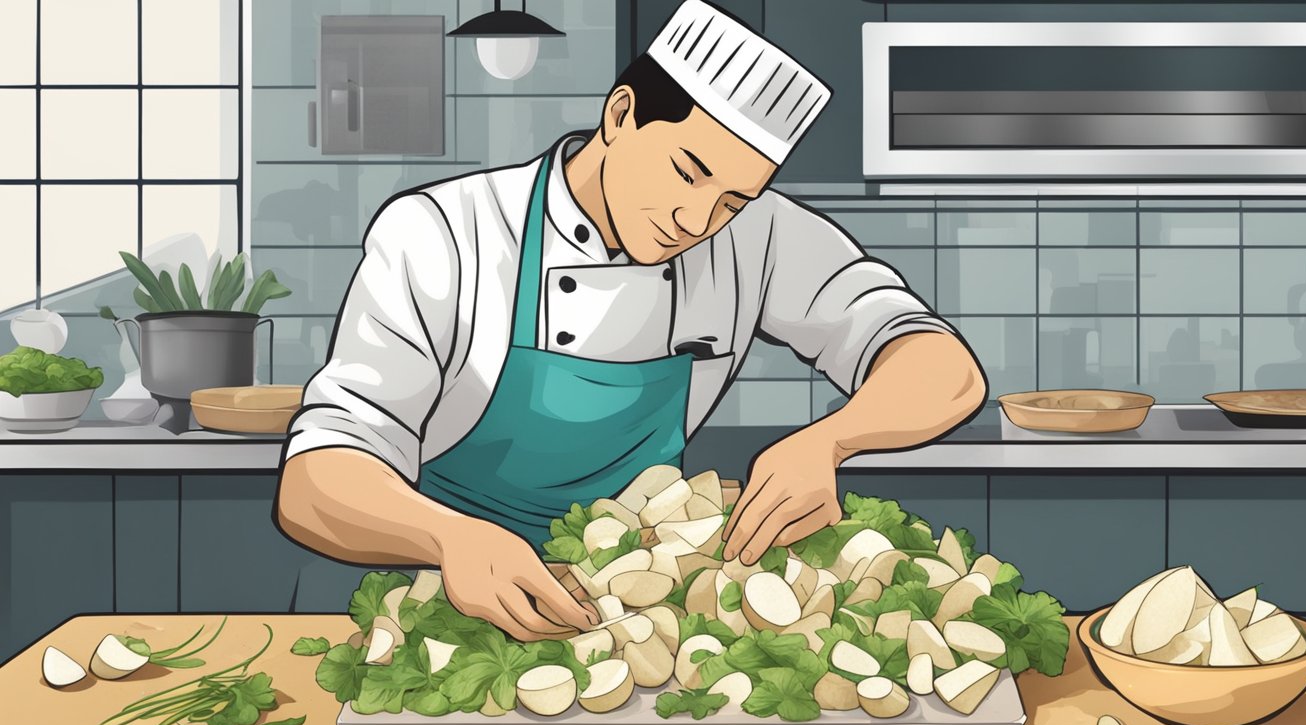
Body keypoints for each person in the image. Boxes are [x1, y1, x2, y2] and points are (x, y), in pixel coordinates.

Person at [276, 0, 986, 642]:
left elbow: (943, 367)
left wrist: (830, 442)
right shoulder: (445, 232)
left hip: (629, 610)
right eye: (686, 173)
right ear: (620, 116)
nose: (697, 220)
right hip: (430, 598)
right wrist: (448, 540)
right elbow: (315, 482)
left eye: (733, 199)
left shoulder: (758, 234)